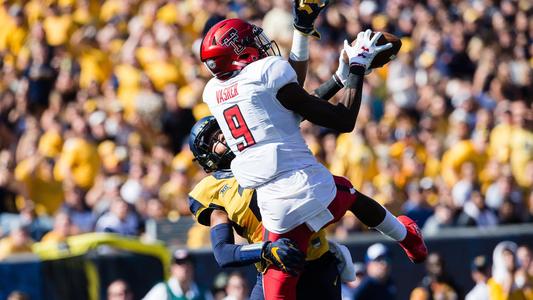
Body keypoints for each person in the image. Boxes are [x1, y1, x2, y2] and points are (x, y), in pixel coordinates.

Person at [200, 8, 427, 300]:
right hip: (314, 189)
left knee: (275, 293)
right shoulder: (266, 75)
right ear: (239, 52)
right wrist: (357, 67)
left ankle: (406, 237)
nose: (261, 45)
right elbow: (338, 118)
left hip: (277, 214)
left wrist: (331, 68)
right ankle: (407, 236)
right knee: (349, 192)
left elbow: (288, 108)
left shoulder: (214, 94)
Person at [188, 116, 353, 300]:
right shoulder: (214, 190)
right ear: (207, 158)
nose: (223, 137)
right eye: (214, 140)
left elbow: (296, 109)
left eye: (223, 131)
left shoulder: (265, 148)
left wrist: (338, 85)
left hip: (316, 262)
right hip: (273, 267)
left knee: (353, 195)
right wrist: (267, 250)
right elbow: (223, 253)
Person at [143, 249, 211, 300]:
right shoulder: (162, 290)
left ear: (193, 267)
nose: (185, 267)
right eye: (180, 263)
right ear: (172, 269)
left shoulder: (203, 293)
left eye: (188, 263)